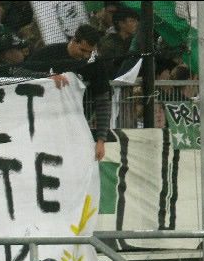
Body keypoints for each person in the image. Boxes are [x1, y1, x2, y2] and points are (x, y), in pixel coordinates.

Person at [24, 24, 111, 161]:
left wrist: (101, 140)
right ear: (74, 40)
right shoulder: (49, 53)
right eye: (83, 50)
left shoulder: (95, 63)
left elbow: (103, 101)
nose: (86, 55)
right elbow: (19, 72)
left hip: (77, 126)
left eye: (90, 52)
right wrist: (45, 77)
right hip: (43, 124)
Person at [98, 7, 139, 78]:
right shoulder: (109, 44)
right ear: (121, 24)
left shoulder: (134, 42)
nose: (136, 24)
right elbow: (108, 69)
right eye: (132, 21)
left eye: (136, 21)